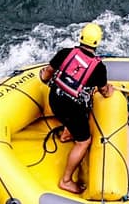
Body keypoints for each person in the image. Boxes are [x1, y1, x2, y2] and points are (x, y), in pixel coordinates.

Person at [40, 22, 114, 194]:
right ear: (97, 43)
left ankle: (67, 134)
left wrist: (43, 78)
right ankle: (65, 180)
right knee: (83, 141)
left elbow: (47, 73)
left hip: (55, 100)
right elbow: (104, 91)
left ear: (81, 37)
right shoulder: (99, 68)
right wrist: (110, 90)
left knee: (72, 114)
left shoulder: (65, 53)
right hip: (72, 108)